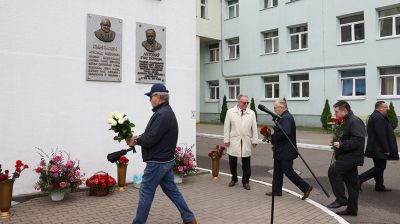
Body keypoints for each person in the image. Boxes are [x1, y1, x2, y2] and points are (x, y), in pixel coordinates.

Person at [126, 83, 197, 224]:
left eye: (151, 97)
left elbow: (151, 139)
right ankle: (189, 219)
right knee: (172, 191)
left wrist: (137, 141)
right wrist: (137, 138)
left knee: (145, 194)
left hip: (157, 163)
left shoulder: (162, 114)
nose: (149, 100)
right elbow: (152, 134)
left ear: (158, 97)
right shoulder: (164, 112)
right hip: (164, 161)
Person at [265, 99, 313, 200]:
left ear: (282, 107)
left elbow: (284, 133)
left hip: (286, 151)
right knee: (277, 171)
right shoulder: (283, 117)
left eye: (275, 107)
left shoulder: (286, 118)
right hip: (280, 150)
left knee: (288, 171)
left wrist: (272, 138)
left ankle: (306, 187)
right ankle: (276, 190)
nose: (274, 110)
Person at [327, 100, 365, 216]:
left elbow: (358, 140)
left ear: (345, 110)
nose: (335, 114)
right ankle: (352, 210)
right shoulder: (346, 120)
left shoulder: (355, 121)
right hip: (347, 155)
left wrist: (342, 144)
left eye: (337, 111)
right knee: (352, 185)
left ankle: (341, 199)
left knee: (333, 170)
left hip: (351, 157)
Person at [359, 101, 399, 192]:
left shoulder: (377, 116)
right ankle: (360, 179)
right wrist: (386, 149)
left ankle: (379, 186)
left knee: (379, 166)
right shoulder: (378, 117)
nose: (387, 109)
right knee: (380, 167)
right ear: (379, 108)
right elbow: (381, 134)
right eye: (385, 107)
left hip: (376, 147)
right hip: (378, 148)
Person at [223, 94, 258, 190]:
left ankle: (246, 181)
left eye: (247, 102)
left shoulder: (251, 113)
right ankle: (234, 178)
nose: (246, 104)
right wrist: (226, 140)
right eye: (244, 102)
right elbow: (226, 127)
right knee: (232, 162)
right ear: (238, 102)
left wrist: (255, 140)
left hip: (246, 140)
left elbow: (254, 128)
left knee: (246, 163)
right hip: (234, 140)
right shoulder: (230, 112)